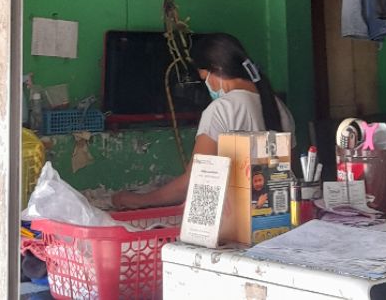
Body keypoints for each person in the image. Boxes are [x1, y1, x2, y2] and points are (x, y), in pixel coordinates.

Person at [112, 32, 296, 210]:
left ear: (216, 69)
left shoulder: (221, 110)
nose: (207, 86)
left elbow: (195, 181)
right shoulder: (278, 106)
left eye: (204, 78)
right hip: (277, 213)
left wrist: (139, 200)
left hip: (237, 221)